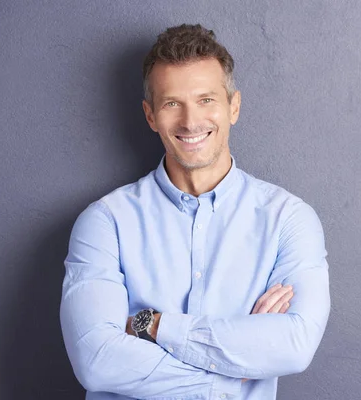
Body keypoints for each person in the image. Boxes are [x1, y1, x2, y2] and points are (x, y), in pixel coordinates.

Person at [60, 23, 330, 400]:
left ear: (233, 107)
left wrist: (154, 326)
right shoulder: (105, 223)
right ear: (151, 115)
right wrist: (225, 377)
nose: (190, 121)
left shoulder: (289, 220)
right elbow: (97, 359)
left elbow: (294, 345)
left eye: (206, 100)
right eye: (172, 103)